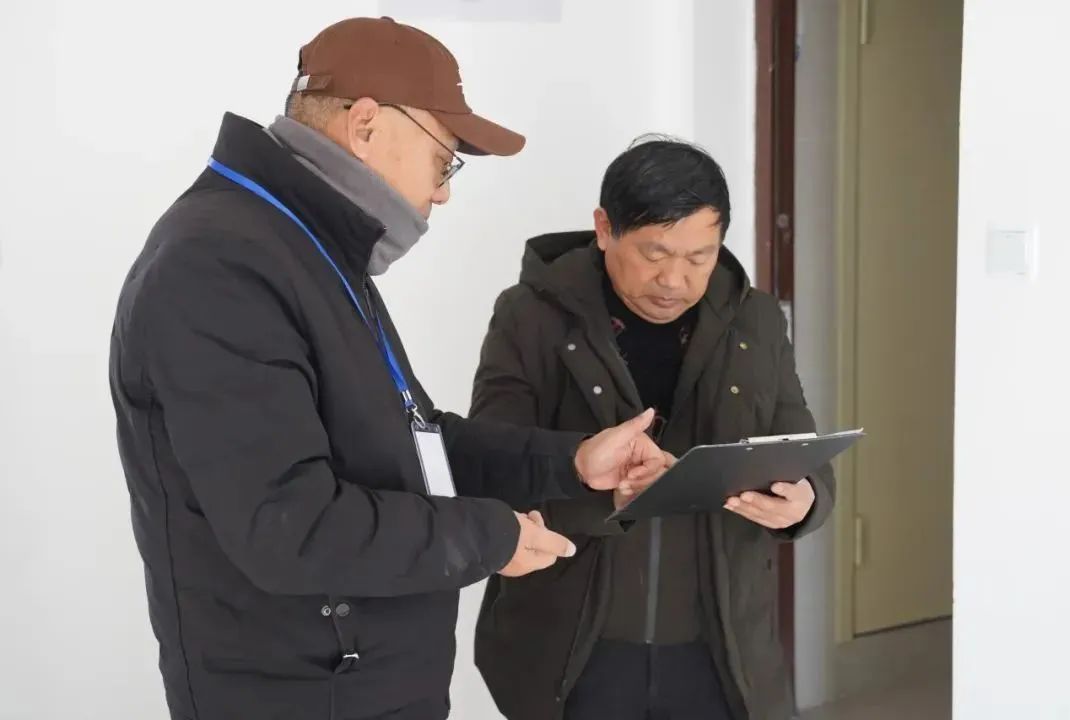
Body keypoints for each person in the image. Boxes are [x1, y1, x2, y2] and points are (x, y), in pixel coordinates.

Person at [109, 18, 666, 720]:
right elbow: (291, 526)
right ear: (366, 125)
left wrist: (573, 462)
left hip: (363, 687)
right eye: (445, 159)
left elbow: (410, 443)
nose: (444, 192)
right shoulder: (221, 265)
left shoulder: (306, 248)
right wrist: (490, 538)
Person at [470, 137, 837, 720]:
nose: (674, 280)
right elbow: (490, 464)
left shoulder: (756, 320)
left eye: (699, 257)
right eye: (654, 253)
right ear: (604, 229)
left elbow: (801, 451)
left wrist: (805, 500)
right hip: (573, 646)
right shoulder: (531, 315)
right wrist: (605, 493)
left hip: (721, 647)